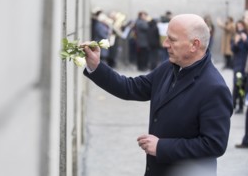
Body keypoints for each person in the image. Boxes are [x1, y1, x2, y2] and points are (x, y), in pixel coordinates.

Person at [83, 14, 233, 176]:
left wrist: (161, 147)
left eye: (172, 40)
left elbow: (214, 144)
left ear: (194, 45)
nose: (165, 44)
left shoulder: (214, 88)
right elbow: (131, 87)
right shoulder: (169, 67)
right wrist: (96, 66)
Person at [231, 20, 248, 113]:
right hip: (237, 64)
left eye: (241, 26)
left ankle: (239, 105)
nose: (240, 28)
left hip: (245, 65)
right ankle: (234, 104)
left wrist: (245, 39)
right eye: (238, 26)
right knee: (237, 84)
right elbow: (233, 49)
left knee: (241, 85)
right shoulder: (235, 36)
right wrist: (236, 42)